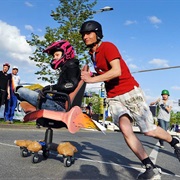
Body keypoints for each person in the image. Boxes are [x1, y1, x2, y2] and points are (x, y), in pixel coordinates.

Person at [79, 20, 180, 180]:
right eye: (83, 34)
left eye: (88, 33)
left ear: (97, 34)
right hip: (113, 97)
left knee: (148, 130)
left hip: (129, 92)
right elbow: (104, 73)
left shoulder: (108, 47)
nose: (85, 37)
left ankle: (174, 142)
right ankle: (149, 167)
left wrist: (92, 80)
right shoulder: (93, 54)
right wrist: (90, 75)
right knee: (126, 131)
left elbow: (116, 71)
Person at [15, 40, 81, 113]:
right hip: (55, 101)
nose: (54, 58)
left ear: (65, 53)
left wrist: (51, 87)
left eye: (57, 55)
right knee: (37, 90)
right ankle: (33, 107)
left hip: (58, 106)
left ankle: (33, 107)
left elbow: (71, 84)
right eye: (54, 56)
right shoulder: (67, 67)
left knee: (20, 90)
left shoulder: (71, 66)